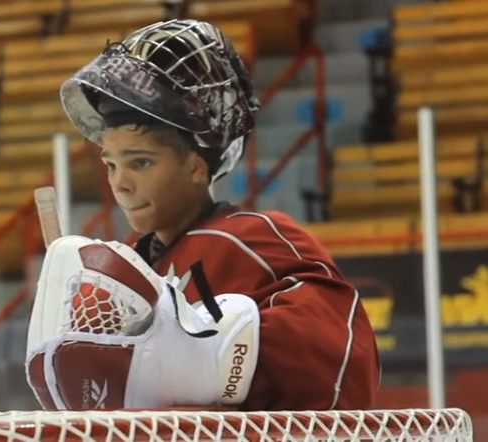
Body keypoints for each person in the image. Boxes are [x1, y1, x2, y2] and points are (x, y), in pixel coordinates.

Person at [24, 19, 381, 412]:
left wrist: (210, 359)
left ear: (196, 167)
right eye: (111, 165)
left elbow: (343, 355)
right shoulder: (126, 266)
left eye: (140, 163)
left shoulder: (252, 239)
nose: (120, 184)